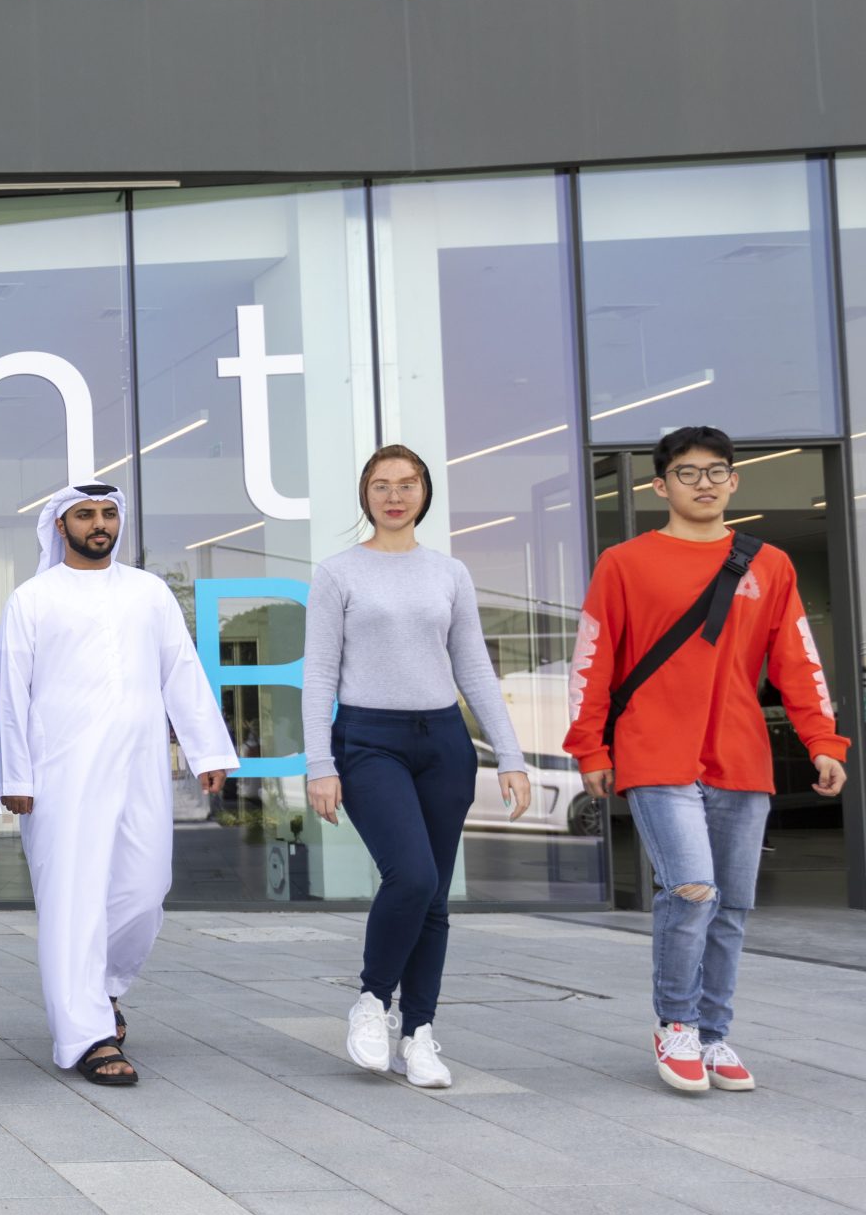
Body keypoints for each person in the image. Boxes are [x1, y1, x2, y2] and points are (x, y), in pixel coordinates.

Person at [567, 425, 847, 1095]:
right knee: (692, 889)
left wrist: (822, 740)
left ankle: (714, 1033)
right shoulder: (625, 563)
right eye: (687, 473)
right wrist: (590, 747)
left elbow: (798, 662)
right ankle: (676, 1023)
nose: (704, 483)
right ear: (660, 485)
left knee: (732, 907)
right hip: (655, 752)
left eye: (716, 471)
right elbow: (593, 660)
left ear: (733, 480)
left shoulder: (769, 564)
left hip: (740, 756)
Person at [304, 446, 532, 1090]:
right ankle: (372, 1001)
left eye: (407, 485)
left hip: (444, 742)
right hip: (369, 740)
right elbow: (319, 672)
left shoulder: (449, 573)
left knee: (434, 897)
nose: (394, 496)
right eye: (381, 485)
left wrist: (510, 755)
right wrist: (320, 762)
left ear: (424, 493)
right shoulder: (338, 573)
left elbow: (474, 667)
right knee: (412, 875)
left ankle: (419, 1032)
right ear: (365, 495)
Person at [0, 485, 236, 1087]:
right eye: (85, 515)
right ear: (61, 526)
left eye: (108, 514)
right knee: (73, 901)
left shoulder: (149, 591)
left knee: (146, 888)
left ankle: (101, 990)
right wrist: (15, 775)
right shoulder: (33, 598)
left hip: (140, 766)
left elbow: (181, 669)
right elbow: (11, 691)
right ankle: (88, 1036)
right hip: (61, 774)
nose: (99, 524)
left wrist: (207, 748)